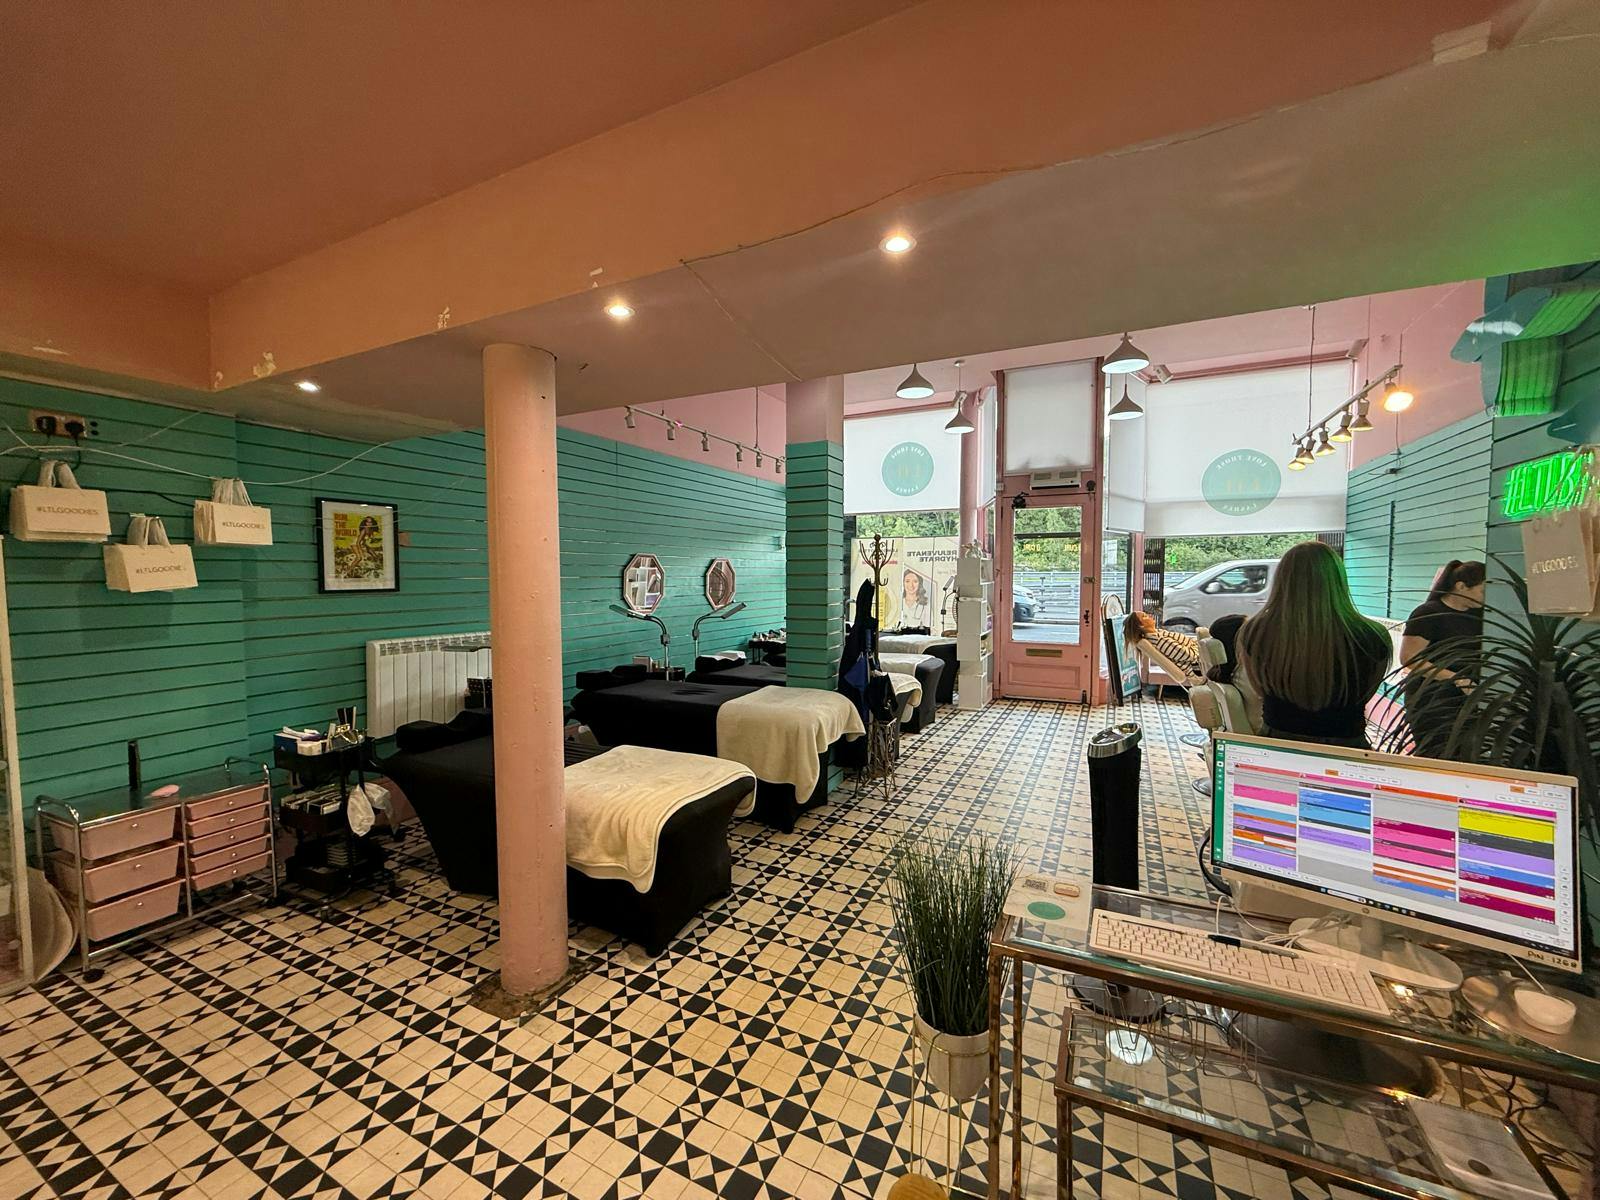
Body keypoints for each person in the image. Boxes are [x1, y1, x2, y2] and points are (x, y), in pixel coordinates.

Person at [1236, 541, 1392, 748]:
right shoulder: (1373, 635)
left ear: (1282, 579)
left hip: (1277, 741)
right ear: (1338, 579)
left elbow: (1259, 689)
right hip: (1347, 745)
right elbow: (1366, 693)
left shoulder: (1255, 631)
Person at [1399, 560, 1486, 758]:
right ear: (1461, 586)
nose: (1486, 597)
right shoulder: (1428, 613)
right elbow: (1410, 658)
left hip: (1466, 698)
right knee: (1436, 752)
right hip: (1432, 699)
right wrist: (1457, 679)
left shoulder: (1481, 615)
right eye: (1482, 590)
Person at [1122, 610, 1202, 680]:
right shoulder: (1160, 641)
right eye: (1145, 616)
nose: (1150, 616)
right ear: (1141, 626)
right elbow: (1190, 656)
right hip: (1199, 666)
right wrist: (1198, 645)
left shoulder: (1158, 633)